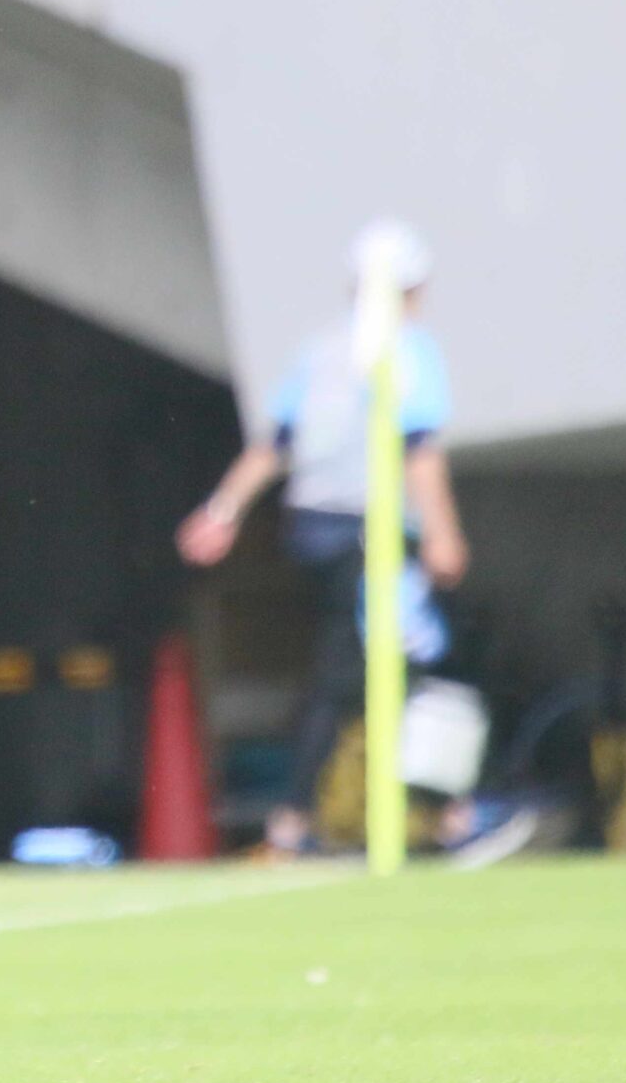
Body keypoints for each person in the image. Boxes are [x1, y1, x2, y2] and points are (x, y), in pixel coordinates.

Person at [176, 221, 470, 855]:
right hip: (373, 535)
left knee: (350, 665)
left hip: (315, 532)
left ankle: (308, 815)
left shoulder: (321, 353)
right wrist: (443, 533)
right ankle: (440, 812)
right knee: (409, 658)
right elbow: (420, 452)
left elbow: (274, 445)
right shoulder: (409, 352)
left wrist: (223, 510)